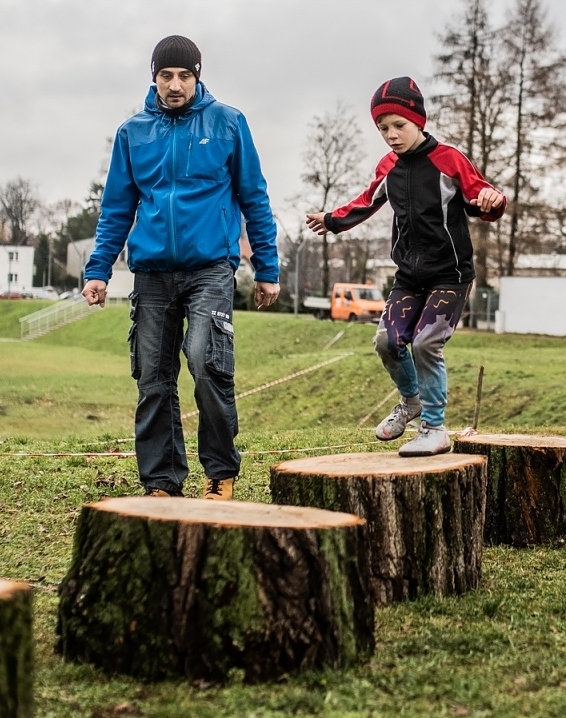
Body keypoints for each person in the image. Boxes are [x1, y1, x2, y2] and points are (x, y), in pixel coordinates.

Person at [82, 35, 281, 500]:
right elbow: (116, 208)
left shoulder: (229, 124)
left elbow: (254, 197)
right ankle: (161, 482)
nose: (175, 85)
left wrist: (267, 267)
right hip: (151, 272)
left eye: (184, 76)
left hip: (210, 266)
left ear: (197, 76)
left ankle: (221, 474)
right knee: (152, 377)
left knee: (204, 360)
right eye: (166, 75)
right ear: (153, 77)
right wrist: (98, 269)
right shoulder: (132, 133)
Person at [306, 76, 505, 456]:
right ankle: (411, 402)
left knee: (427, 342)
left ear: (419, 121)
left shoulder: (449, 159)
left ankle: (434, 427)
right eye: (383, 128)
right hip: (409, 276)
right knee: (386, 342)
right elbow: (366, 201)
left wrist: (492, 200)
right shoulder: (389, 165)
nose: (391, 135)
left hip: (450, 273)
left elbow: (482, 193)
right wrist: (332, 219)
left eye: (399, 125)